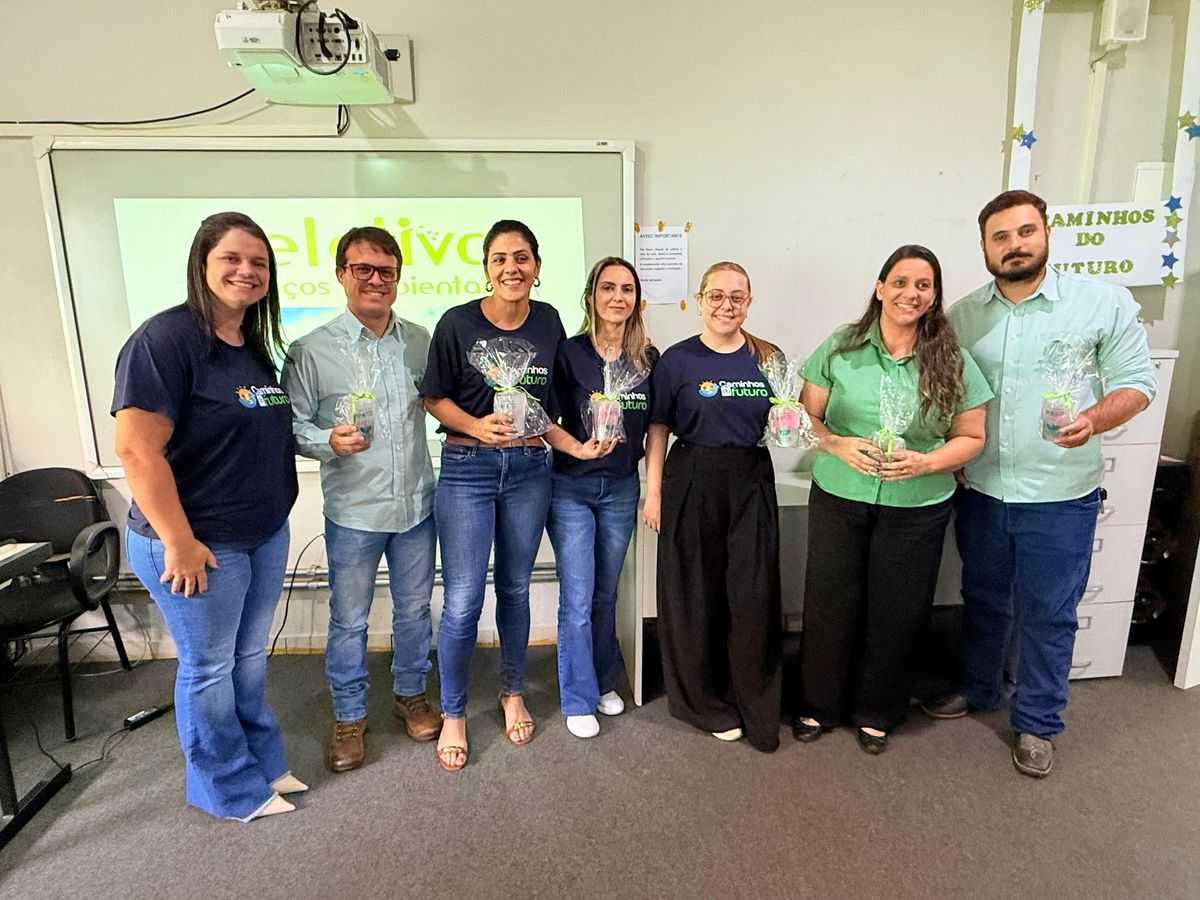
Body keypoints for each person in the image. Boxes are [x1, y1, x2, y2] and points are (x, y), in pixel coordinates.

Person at [922, 190, 1157, 778]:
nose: (1015, 245)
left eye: (1025, 231)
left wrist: (1093, 419)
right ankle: (980, 689)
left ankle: (1037, 722)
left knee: (1050, 614)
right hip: (982, 491)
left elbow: (1138, 383)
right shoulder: (963, 317)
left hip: (1061, 496)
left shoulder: (1101, 303)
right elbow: (949, 394)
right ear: (984, 247)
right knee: (983, 599)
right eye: (1000, 237)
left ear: (1046, 233)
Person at [113, 212, 301, 821]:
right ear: (202, 264)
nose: (247, 271)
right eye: (232, 259)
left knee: (247, 660)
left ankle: (263, 764)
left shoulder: (252, 346)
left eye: (259, 263)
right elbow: (136, 450)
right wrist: (179, 540)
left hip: (261, 533)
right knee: (209, 668)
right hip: (198, 543)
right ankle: (227, 788)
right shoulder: (164, 341)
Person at [420, 219, 610, 771]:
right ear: (486, 267)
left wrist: (575, 446)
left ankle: (512, 692)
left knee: (516, 589)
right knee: (462, 600)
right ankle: (453, 712)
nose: (512, 268)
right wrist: (476, 426)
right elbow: (433, 397)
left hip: (530, 469)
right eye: (500, 258)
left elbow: (543, 410)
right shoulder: (457, 322)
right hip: (467, 469)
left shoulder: (548, 321)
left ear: (538, 267)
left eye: (522, 257)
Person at [792, 245, 992, 754]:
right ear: (880, 288)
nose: (911, 293)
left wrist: (926, 462)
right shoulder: (841, 347)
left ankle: (877, 711)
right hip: (841, 493)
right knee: (829, 601)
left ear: (934, 296)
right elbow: (804, 417)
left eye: (923, 285)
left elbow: (972, 437)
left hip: (917, 504)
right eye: (900, 282)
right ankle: (818, 705)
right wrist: (836, 444)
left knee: (898, 610)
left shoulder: (952, 359)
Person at [281, 226, 439, 774]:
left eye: (386, 271)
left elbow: (442, 402)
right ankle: (349, 716)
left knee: (414, 610)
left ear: (398, 277)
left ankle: (411, 694)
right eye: (363, 269)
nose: (376, 280)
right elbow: (291, 426)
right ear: (341, 275)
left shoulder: (420, 340)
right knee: (349, 619)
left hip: (416, 505)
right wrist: (328, 440)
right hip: (354, 511)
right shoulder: (311, 350)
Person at [643, 261, 782, 752]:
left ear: (749, 302)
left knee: (752, 594)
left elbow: (782, 418)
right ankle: (700, 702)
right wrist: (653, 492)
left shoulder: (767, 357)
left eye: (737, 297)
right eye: (717, 296)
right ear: (699, 301)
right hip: (692, 477)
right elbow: (658, 428)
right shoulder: (677, 361)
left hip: (750, 480)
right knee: (693, 594)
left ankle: (754, 700)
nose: (727, 305)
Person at [546, 257, 657, 738]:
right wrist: (576, 447)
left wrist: (653, 488)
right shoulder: (568, 353)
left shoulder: (648, 359)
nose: (618, 297)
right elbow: (543, 418)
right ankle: (577, 696)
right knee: (577, 594)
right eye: (608, 287)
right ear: (591, 295)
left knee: (606, 592)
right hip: (571, 486)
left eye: (627, 289)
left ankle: (602, 680)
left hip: (621, 488)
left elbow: (657, 426)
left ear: (637, 300)